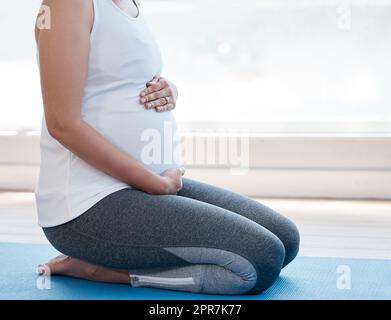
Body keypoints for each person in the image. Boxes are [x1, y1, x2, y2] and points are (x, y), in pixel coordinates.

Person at [35, 0, 300, 295]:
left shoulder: (126, 4)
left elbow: (118, 82)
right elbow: (62, 123)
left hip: (140, 186)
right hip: (87, 205)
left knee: (285, 240)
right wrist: (155, 184)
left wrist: (168, 90)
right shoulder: (68, 4)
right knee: (261, 259)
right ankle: (107, 271)